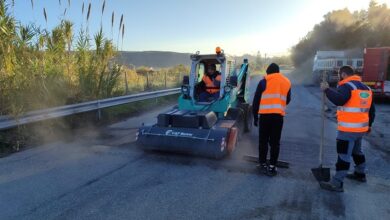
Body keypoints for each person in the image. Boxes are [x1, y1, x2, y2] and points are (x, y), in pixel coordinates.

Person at [320, 65, 375, 192]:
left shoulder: (347, 86)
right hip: (360, 129)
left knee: (343, 155)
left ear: (344, 74)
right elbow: (371, 110)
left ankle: (337, 183)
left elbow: (340, 100)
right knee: (357, 152)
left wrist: (327, 90)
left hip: (348, 129)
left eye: (340, 75)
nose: (339, 77)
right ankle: (360, 174)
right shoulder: (366, 88)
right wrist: (369, 125)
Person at [252, 63, 291, 176]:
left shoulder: (264, 81)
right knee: (275, 143)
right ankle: (272, 167)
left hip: (265, 116)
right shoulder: (286, 81)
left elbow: (256, 101)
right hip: (278, 117)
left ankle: (262, 164)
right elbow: (288, 99)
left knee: (263, 141)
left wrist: (255, 117)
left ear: (268, 72)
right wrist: (278, 104)